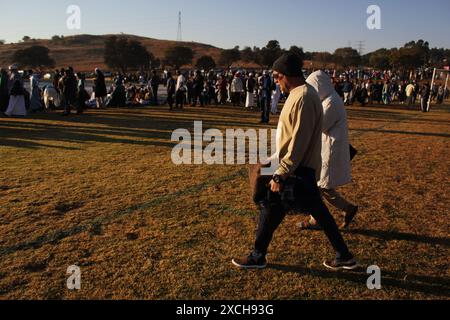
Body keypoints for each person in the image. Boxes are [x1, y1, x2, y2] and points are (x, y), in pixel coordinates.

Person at [232, 53, 358, 271]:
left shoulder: (304, 98)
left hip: (295, 171)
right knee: (307, 212)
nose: (276, 82)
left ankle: (257, 255)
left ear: (285, 75)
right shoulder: (300, 94)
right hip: (296, 169)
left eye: (277, 77)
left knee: (271, 209)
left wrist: (281, 173)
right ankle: (343, 256)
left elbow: (299, 141)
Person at [298, 71, 358, 230]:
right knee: (322, 186)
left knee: (320, 186)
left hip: (331, 150)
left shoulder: (331, 102)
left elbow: (321, 125)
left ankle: (316, 218)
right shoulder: (329, 100)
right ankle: (345, 209)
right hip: (328, 148)